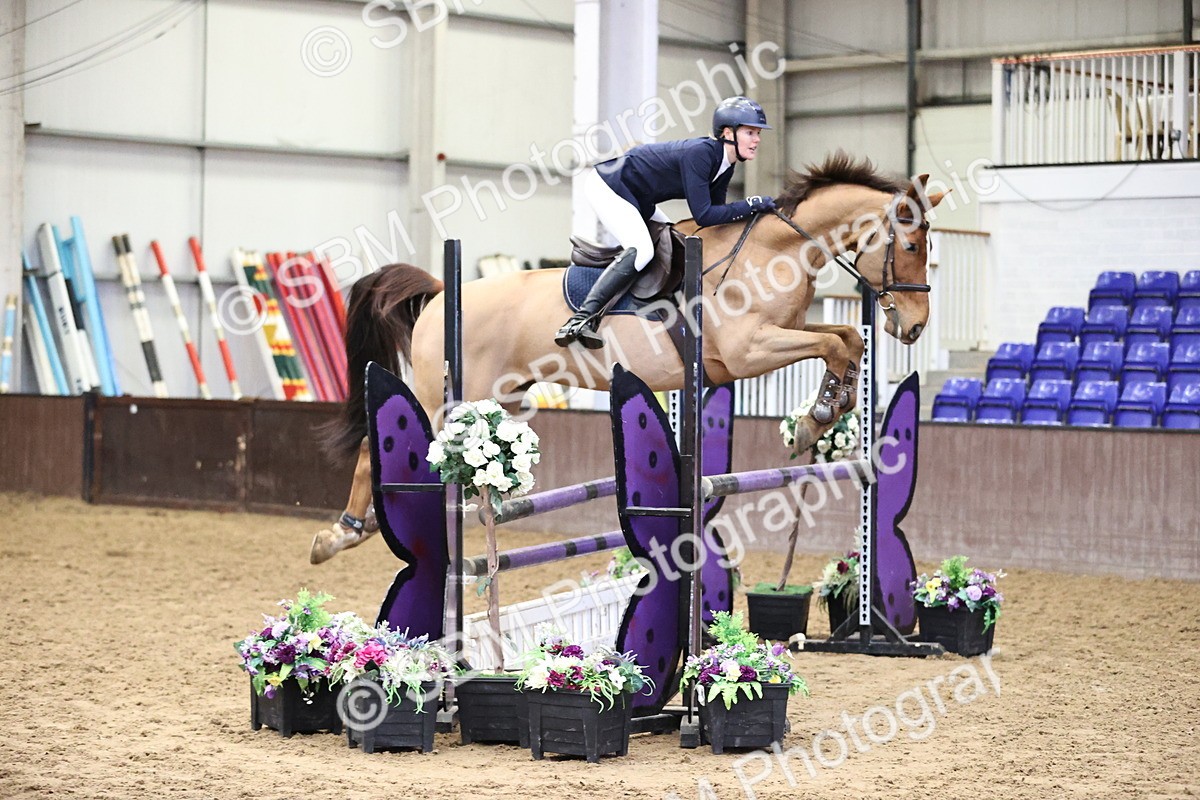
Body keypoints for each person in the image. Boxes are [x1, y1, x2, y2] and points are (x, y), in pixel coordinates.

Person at [555, 95, 777, 349]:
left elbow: (717, 216)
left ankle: (657, 309)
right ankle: (581, 319)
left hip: (639, 195)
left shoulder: (726, 165)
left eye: (758, 133)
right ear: (728, 133)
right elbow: (704, 214)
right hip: (609, 185)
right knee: (643, 250)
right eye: (750, 132)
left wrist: (754, 212)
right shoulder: (701, 154)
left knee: (674, 241)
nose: (757, 140)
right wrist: (751, 204)